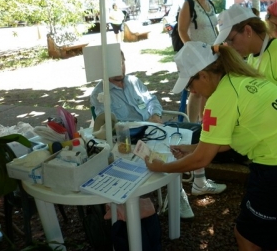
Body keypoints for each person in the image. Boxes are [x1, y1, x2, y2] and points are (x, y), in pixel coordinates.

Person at [145, 41, 277, 251]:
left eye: (189, 84)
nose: (192, 90)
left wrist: (162, 167)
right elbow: (222, 143)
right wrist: (191, 147)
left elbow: (202, 160)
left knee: (247, 237)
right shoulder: (242, 77)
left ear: (203, 75)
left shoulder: (221, 98)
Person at [90, 51, 226, 218]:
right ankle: (178, 192)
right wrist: (140, 125)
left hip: (155, 127)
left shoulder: (134, 81)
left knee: (196, 131)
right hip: (131, 137)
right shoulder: (100, 93)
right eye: (115, 63)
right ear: (106, 67)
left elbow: (152, 100)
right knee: (172, 148)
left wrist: (156, 115)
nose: (120, 67)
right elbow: (109, 125)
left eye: (122, 61)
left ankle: (198, 181)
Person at [214, 4, 277, 118]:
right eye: (226, 42)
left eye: (231, 40)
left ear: (248, 31)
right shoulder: (252, 56)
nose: (229, 46)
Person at [178, 0, 219, 124]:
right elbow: (181, 30)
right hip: (197, 56)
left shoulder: (211, 4)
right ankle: (193, 124)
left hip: (212, 55)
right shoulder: (189, 4)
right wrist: (193, 51)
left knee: (209, 90)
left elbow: (214, 28)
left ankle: (205, 122)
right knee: (196, 91)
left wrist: (218, 46)